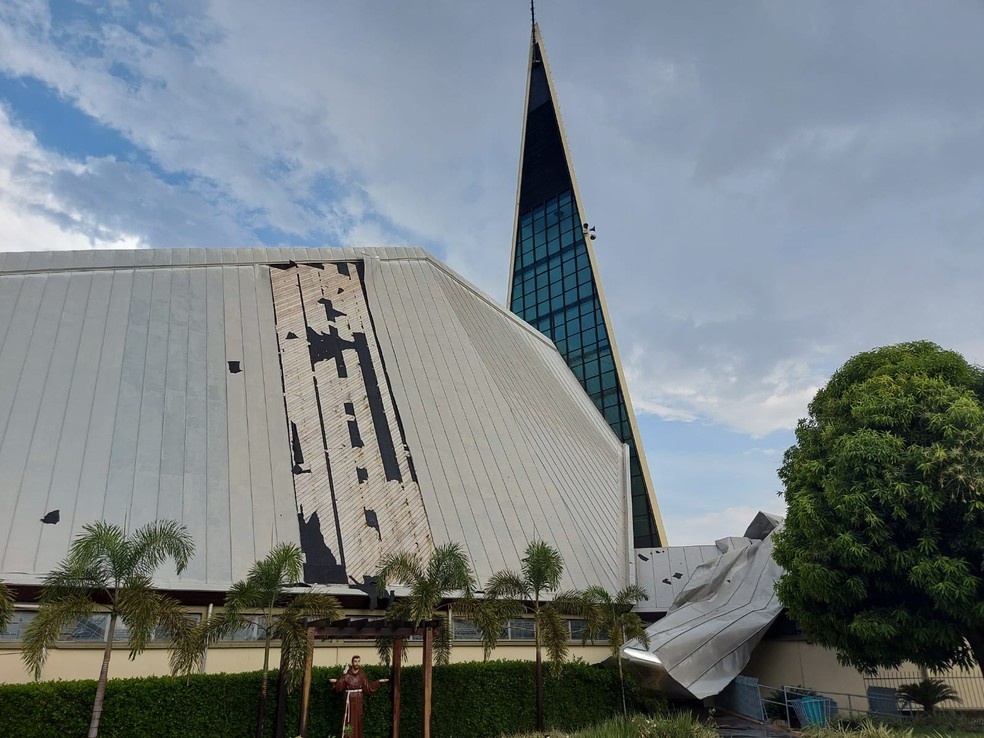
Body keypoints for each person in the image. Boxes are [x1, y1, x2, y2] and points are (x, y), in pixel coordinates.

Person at [330, 655, 389, 738]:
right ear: (352, 662)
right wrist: (335, 682)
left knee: (358, 721)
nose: (357, 663)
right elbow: (339, 687)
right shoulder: (347, 675)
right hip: (349, 702)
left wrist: (378, 682)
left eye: (358, 661)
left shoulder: (362, 675)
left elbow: (367, 688)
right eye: (355, 661)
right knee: (348, 720)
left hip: (358, 701)